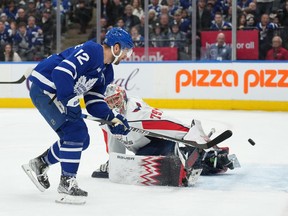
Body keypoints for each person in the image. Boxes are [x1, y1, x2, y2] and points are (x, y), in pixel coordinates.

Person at [21, 27, 134, 204]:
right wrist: (70, 100)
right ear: (117, 47)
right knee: (76, 132)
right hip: (46, 88)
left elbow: (94, 102)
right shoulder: (92, 51)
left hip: (58, 93)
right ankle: (66, 184)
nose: (127, 55)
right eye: (127, 50)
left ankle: (40, 163)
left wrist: (112, 118)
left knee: (82, 140)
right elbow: (61, 73)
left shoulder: (107, 72)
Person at [92, 84, 236, 185]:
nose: (114, 104)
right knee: (137, 160)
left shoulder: (135, 115)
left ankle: (204, 157)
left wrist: (189, 133)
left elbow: (165, 121)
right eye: (109, 102)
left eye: (116, 99)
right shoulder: (107, 119)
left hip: (157, 143)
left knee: (140, 162)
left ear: (123, 96)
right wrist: (114, 160)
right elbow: (112, 140)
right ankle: (206, 158)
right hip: (142, 147)